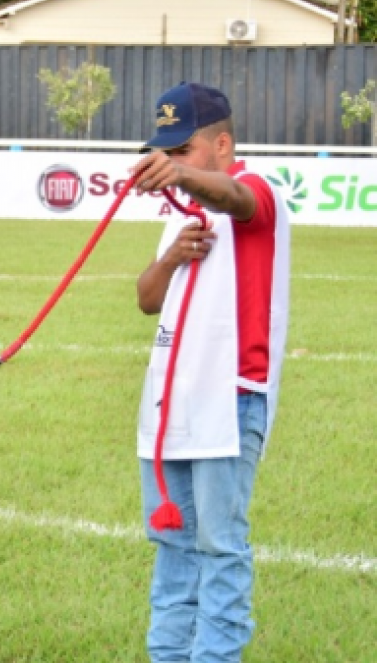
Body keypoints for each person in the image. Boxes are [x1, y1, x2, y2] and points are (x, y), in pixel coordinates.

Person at [130, 81, 291, 663]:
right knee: (172, 547)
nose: (171, 163)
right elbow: (147, 299)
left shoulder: (255, 191)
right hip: (169, 404)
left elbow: (236, 199)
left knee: (219, 548)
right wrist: (172, 254)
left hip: (229, 400)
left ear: (223, 143)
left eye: (183, 150)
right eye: (165, 153)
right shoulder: (183, 212)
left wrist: (185, 180)